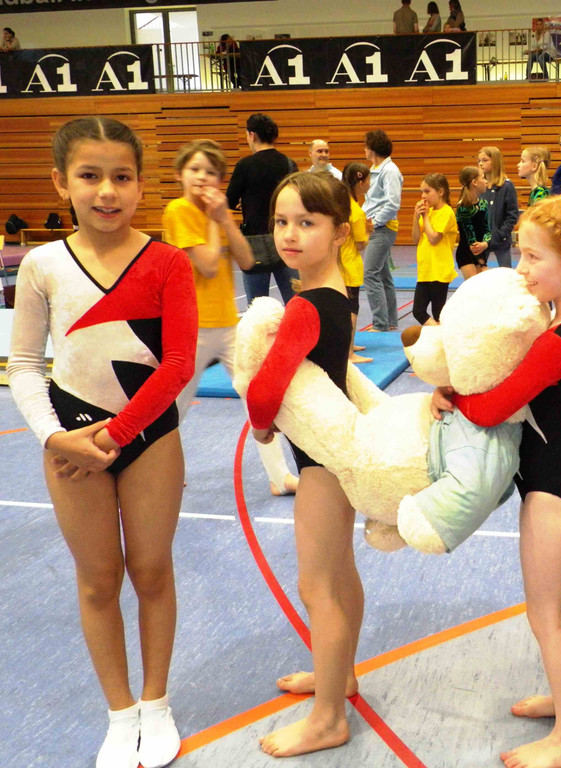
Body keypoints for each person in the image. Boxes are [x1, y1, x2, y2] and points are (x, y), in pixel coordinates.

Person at [7, 117, 198, 768]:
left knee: (151, 571)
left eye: (122, 177)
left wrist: (113, 435)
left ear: (141, 184)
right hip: (69, 444)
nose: (107, 191)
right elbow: (24, 364)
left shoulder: (167, 261)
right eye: (90, 176)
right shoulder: (42, 265)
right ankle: (120, 714)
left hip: (148, 438)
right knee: (96, 581)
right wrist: (57, 437)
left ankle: (156, 702)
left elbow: (178, 363)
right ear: (61, 182)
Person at [432, 194, 561, 768]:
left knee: (546, 615)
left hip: (555, 492)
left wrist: (452, 394)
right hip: (553, 484)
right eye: (520, 254)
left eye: (532, 257)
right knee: (552, 610)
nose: (520, 269)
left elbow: (495, 408)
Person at [246, 171, 363, 758]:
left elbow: (267, 387)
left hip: (320, 462)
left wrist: (262, 424)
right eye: (281, 221)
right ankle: (341, 676)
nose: (289, 234)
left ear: (339, 232)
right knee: (340, 576)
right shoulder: (337, 294)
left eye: (306, 223)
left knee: (316, 585)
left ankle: (328, 719)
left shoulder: (307, 305)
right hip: (335, 456)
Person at [164, 139, 298, 498]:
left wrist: (225, 218)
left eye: (210, 172)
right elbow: (208, 265)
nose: (202, 177)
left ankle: (279, 476)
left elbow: (247, 260)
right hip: (190, 328)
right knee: (172, 407)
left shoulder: (217, 213)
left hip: (227, 324)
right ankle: (159, 470)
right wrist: (215, 219)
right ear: (179, 174)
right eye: (194, 169)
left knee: (256, 396)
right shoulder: (178, 211)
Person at [226, 113, 299, 306]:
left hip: (255, 242)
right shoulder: (289, 164)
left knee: (256, 308)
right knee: (296, 303)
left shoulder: (245, 165)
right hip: (286, 238)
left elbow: (228, 200)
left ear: (252, 135)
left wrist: (244, 203)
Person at [362, 129, 402, 331]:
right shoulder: (375, 169)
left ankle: (380, 323)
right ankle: (391, 321)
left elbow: (393, 203)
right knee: (384, 276)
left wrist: (375, 222)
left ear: (373, 148)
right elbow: (372, 201)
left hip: (383, 228)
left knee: (369, 274)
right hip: (376, 227)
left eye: (366, 146)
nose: (364, 149)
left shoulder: (390, 170)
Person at [412, 173, 457, 324]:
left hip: (439, 270)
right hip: (425, 270)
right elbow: (415, 239)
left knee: (438, 313)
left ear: (440, 191)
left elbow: (433, 238)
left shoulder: (446, 212)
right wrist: (416, 217)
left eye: (427, 191)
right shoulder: (428, 211)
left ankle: (441, 334)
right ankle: (438, 332)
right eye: (422, 192)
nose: (423, 196)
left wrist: (425, 217)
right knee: (418, 311)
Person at [341, 162, 373, 363]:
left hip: (337, 263)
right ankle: (348, 353)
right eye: (368, 180)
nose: (370, 184)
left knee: (344, 308)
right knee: (352, 309)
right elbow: (361, 244)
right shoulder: (356, 211)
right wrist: (368, 231)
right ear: (360, 183)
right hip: (350, 264)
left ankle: (349, 345)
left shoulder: (340, 204)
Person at [477, 146, 520, 268]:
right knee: (479, 273)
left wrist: (501, 234)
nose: (480, 164)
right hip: (482, 240)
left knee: (505, 273)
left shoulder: (507, 186)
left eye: (485, 160)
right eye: (479, 161)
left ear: (495, 161)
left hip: (501, 240)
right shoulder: (479, 187)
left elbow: (512, 215)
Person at [454, 165, 490, 279]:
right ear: (474, 182)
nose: (486, 181)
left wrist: (485, 243)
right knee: (474, 285)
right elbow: (471, 239)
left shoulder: (483, 204)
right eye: (483, 178)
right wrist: (482, 264)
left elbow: (487, 229)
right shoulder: (463, 207)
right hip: (466, 253)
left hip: (480, 250)